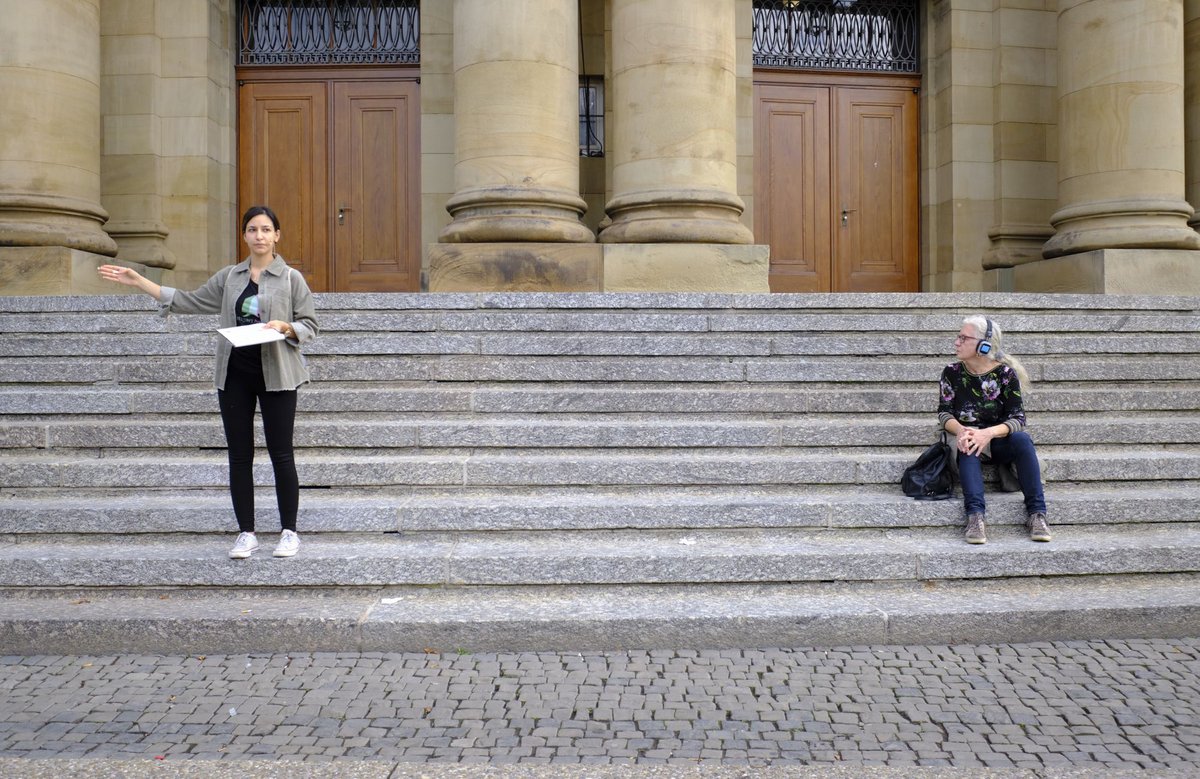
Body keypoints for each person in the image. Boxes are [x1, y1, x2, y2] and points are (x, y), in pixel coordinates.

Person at [98, 205, 318, 559]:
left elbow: (310, 324)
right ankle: (246, 533)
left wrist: (286, 327)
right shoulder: (230, 277)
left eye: (266, 229)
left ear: (277, 235)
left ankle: (289, 532)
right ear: (244, 235)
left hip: (279, 375)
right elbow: (190, 301)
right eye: (252, 229)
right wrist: (141, 282)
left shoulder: (291, 278)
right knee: (239, 456)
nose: (259, 236)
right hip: (234, 376)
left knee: (281, 454)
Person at [938, 315, 1050, 545]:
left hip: (997, 441)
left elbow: (1018, 418)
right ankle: (975, 516)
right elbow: (944, 413)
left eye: (964, 338)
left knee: (1022, 439)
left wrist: (987, 433)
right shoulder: (951, 372)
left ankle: (1037, 514)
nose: (956, 342)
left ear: (984, 345)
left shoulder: (1005, 374)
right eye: (958, 337)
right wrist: (962, 431)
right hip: (966, 441)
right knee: (968, 443)